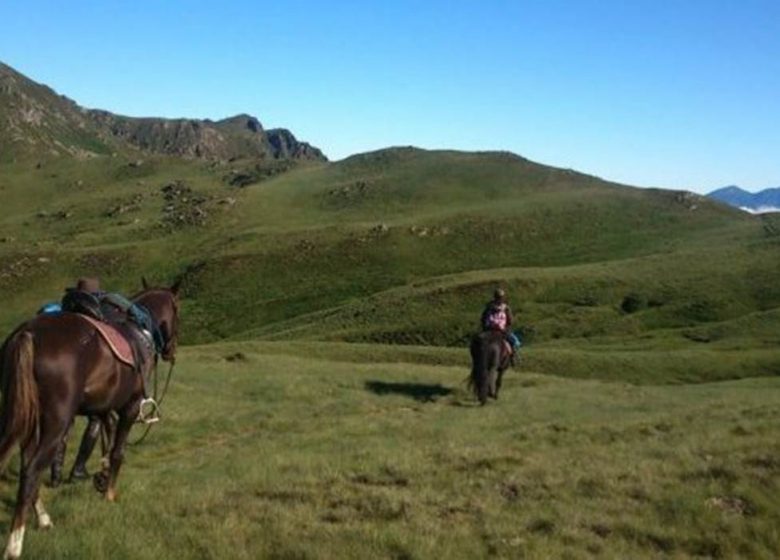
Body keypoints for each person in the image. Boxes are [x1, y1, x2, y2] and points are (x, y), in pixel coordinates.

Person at [481, 288, 521, 353]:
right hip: (502, 330)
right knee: (515, 342)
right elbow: (510, 321)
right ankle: (513, 356)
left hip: (489, 329)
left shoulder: (489, 306)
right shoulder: (506, 308)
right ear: (503, 297)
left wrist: (485, 327)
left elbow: (483, 318)